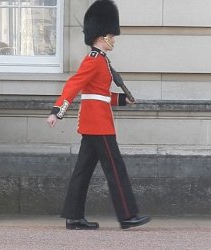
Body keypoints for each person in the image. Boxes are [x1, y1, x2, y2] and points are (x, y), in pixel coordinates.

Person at [46, 0, 150, 230]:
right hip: (99, 125)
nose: (114, 40)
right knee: (116, 168)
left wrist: (123, 100)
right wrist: (58, 111)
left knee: (82, 171)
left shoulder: (101, 60)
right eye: (112, 36)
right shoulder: (93, 61)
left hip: (95, 122)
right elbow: (73, 85)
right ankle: (127, 215)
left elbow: (100, 95)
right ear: (103, 36)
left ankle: (73, 217)